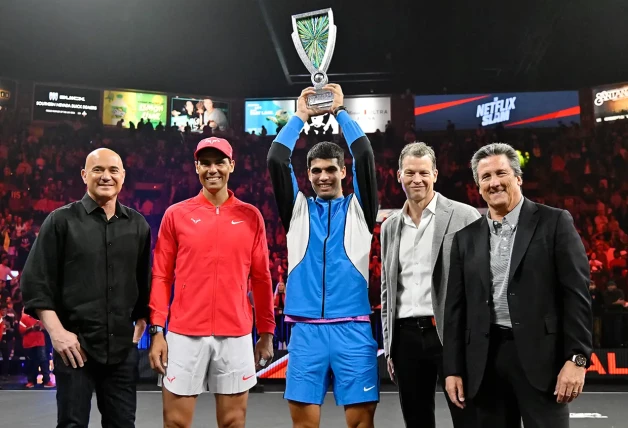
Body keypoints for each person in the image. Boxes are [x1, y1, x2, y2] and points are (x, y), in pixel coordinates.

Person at [443, 143, 593, 428]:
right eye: (486, 177)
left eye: (501, 173)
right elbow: (455, 311)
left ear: (518, 178)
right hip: (483, 366)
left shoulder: (555, 222)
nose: (494, 182)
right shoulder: (464, 239)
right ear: (478, 185)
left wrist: (577, 359)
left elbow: (577, 297)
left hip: (542, 362)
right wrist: (452, 369)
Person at [267, 85, 380, 428]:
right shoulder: (297, 211)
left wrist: (341, 112)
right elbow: (276, 158)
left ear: (343, 172)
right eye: (315, 171)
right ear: (308, 175)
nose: (323, 176)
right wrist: (301, 115)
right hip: (305, 332)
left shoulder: (361, 210)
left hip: (354, 329)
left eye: (331, 169)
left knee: (361, 425)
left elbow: (364, 155)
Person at [148, 137, 275, 428]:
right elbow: (161, 275)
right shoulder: (176, 215)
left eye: (219, 162)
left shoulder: (251, 216)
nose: (212, 169)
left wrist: (266, 332)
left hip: (236, 333)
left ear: (232, 165)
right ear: (196, 167)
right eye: (205, 163)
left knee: (233, 422)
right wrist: (157, 329)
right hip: (183, 332)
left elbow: (261, 278)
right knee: (175, 423)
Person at [20, 148, 151, 428]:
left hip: (121, 351)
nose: (106, 176)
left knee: (123, 424)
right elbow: (35, 282)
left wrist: (143, 318)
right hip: (74, 348)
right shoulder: (60, 221)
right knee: (72, 424)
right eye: (98, 170)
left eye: (113, 170)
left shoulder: (138, 225)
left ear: (123, 177)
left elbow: (144, 280)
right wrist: (57, 334)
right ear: (84, 175)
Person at [380, 142, 480, 428]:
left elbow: (479, 285)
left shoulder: (464, 216)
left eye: (423, 172)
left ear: (435, 174)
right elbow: (389, 289)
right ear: (398, 175)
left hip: (450, 334)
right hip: (406, 337)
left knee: (467, 417)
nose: (417, 179)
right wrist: (390, 346)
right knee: (416, 420)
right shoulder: (390, 226)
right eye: (409, 172)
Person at [19, 308, 54, 388]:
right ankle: (31, 381)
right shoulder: (24, 318)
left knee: (44, 361)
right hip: (29, 343)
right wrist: (32, 327)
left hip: (40, 342)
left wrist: (40, 327)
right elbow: (21, 330)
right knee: (31, 362)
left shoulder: (41, 318)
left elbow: (48, 328)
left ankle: (46, 381)